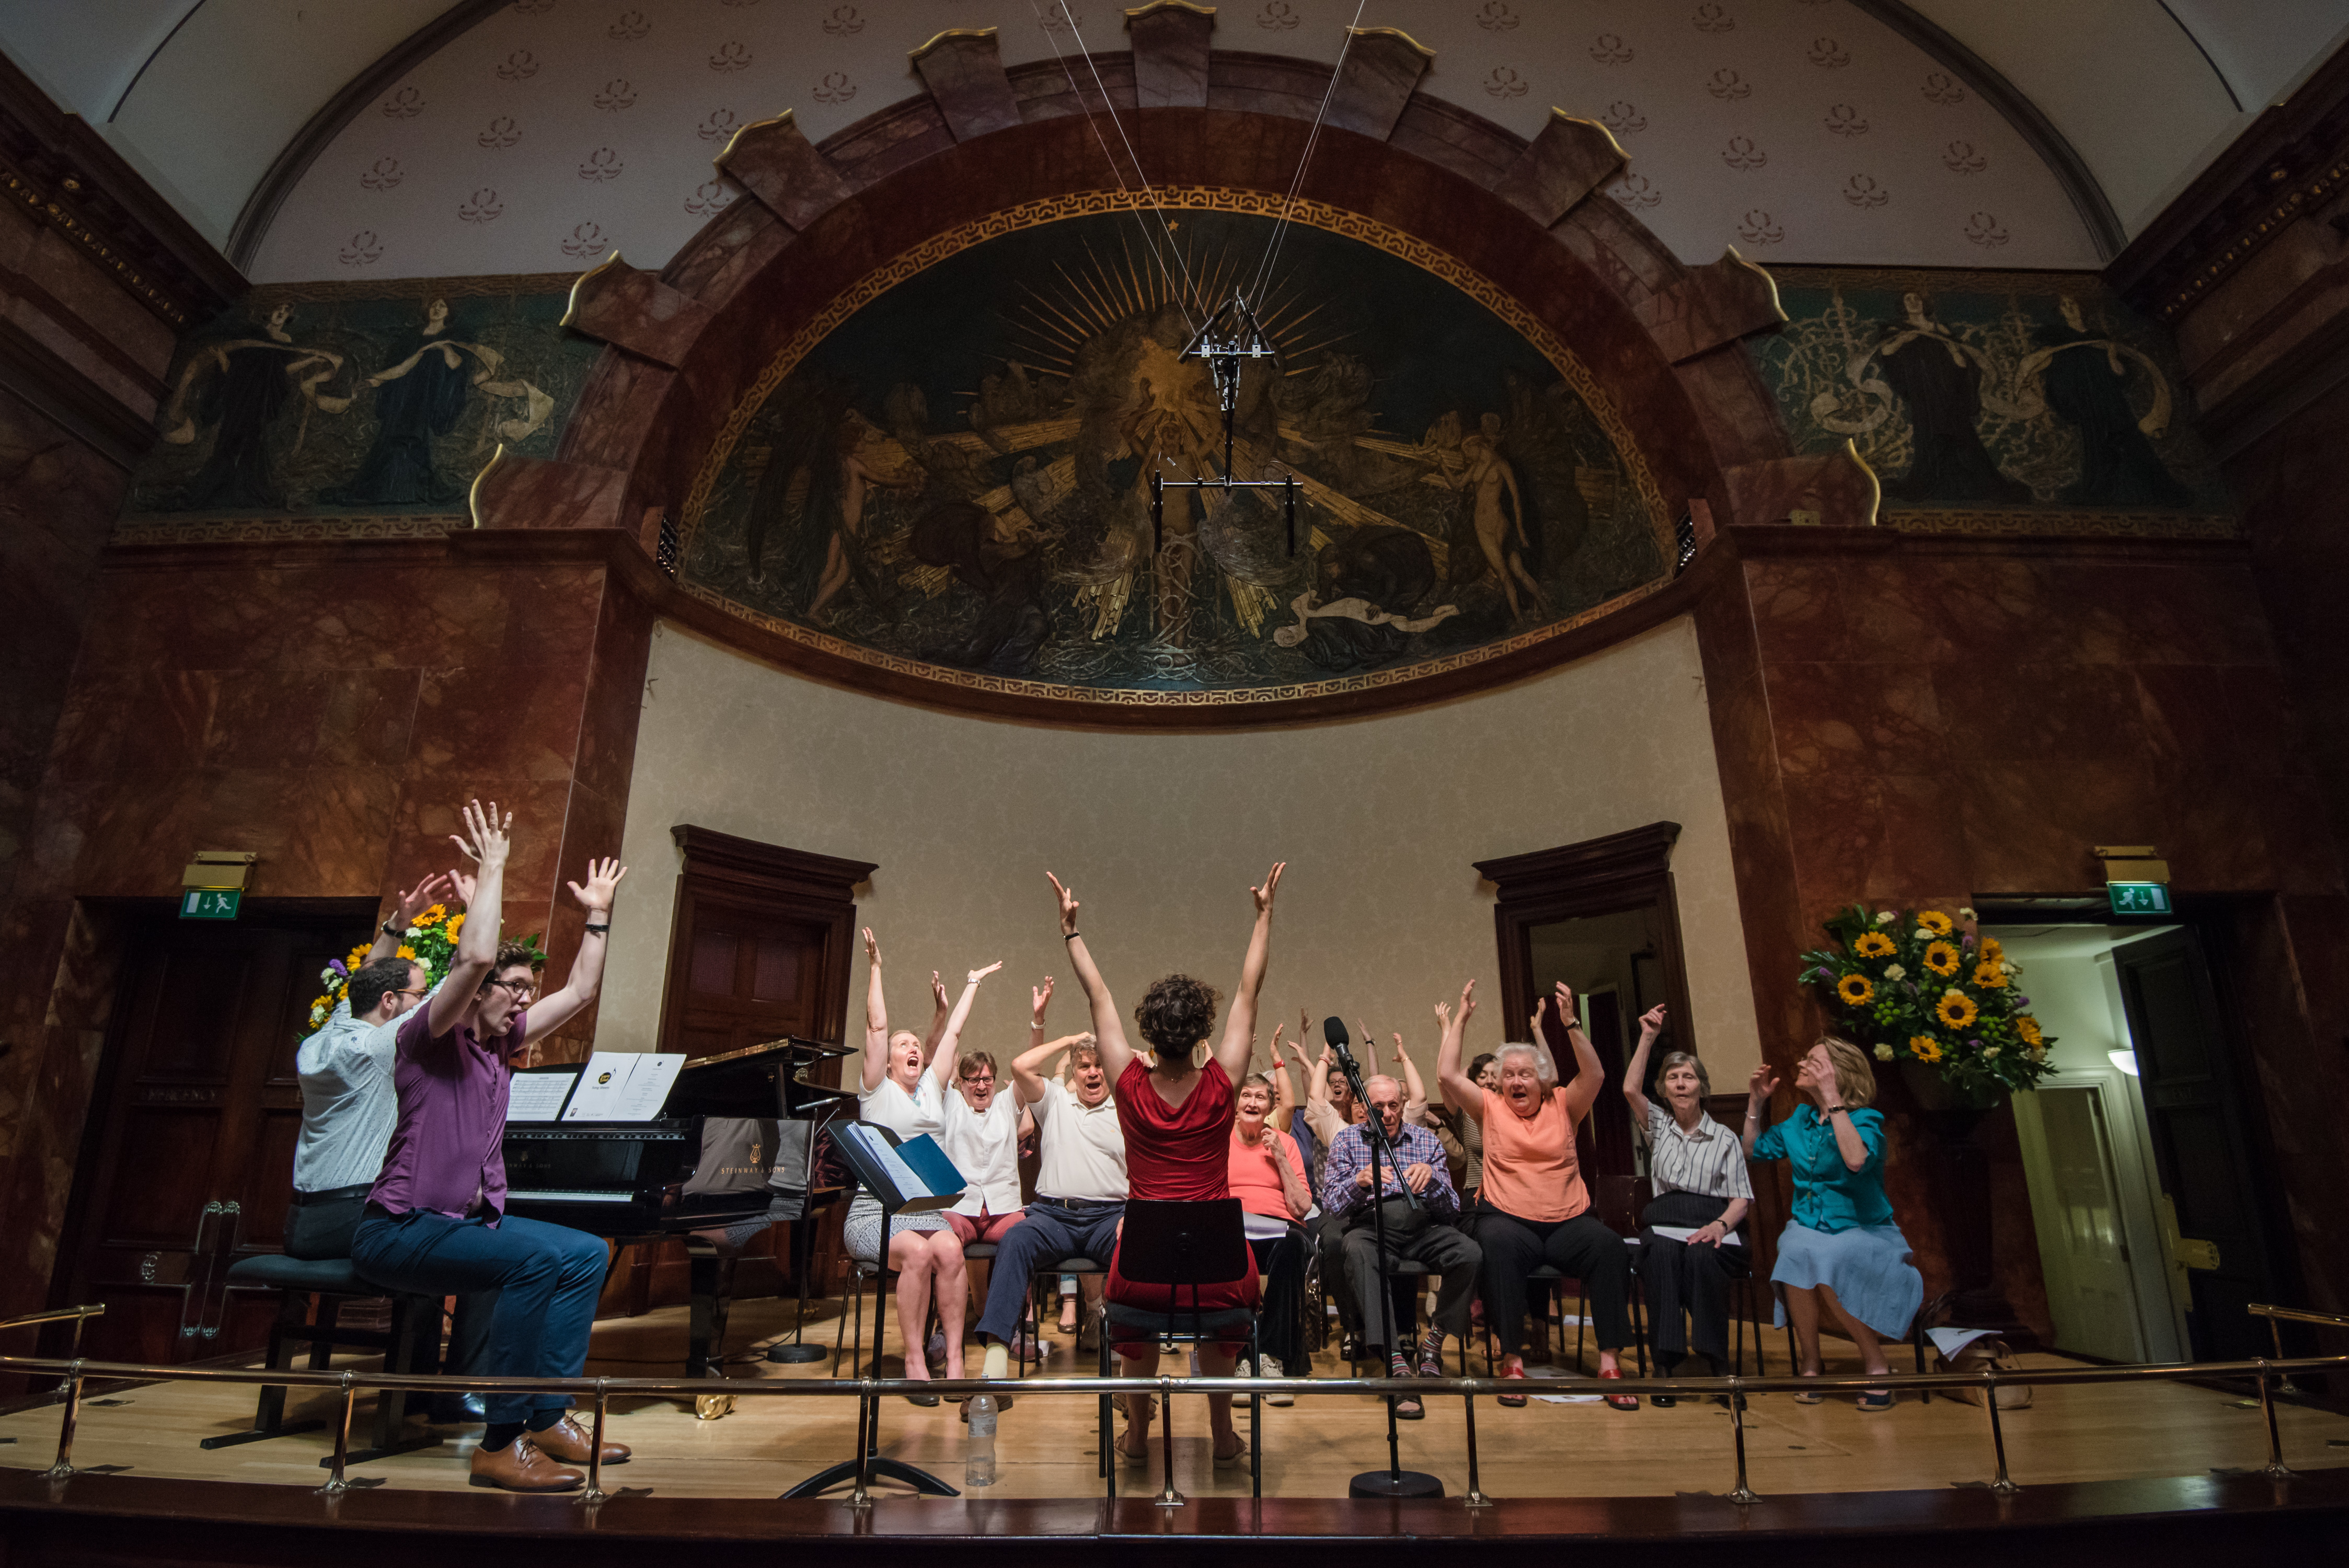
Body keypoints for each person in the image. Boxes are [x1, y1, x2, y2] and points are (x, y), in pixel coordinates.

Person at [349, 800, 631, 1493]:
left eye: (526, 990)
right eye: (513, 988)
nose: (522, 1000)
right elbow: (474, 956)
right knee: (536, 1262)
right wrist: (496, 865)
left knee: (586, 1252)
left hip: (460, 1224)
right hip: (399, 1228)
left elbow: (583, 990)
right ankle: (498, 1444)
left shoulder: (499, 1047)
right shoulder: (429, 1037)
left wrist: (597, 915)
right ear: (477, 993)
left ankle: (545, 1417)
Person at [1046, 861, 1283, 1470]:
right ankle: (1224, 1436)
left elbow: (1097, 996)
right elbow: (1250, 993)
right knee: (1229, 1307)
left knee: (1136, 1318)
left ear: (1148, 1035)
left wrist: (1072, 931)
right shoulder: (1224, 1083)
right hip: (1221, 1264)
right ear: (1203, 1031)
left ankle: (1138, 1435)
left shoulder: (1127, 1083)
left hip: (1144, 1261)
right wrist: (1264, 918)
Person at [1438, 978, 1638, 1411]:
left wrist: (1571, 1025)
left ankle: (1609, 1363)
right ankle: (1512, 1359)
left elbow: (1597, 1074)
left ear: (1542, 1079)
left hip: (1569, 1220)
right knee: (1497, 1245)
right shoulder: (1489, 1107)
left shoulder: (1564, 1104)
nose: (1515, 1081)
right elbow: (1448, 1075)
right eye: (1508, 1075)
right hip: (1508, 1218)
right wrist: (1460, 1020)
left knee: (1609, 1248)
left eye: (1524, 1073)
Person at [844, 932, 999, 1404]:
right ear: (888, 1062)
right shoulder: (876, 1091)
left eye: (916, 1044)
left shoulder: (933, 1086)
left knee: (950, 1251)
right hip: (876, 1212)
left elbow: (951, 1034)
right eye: (903, 1045)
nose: (913, 1048)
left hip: (926, 1209)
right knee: (916, 1252)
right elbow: (875, 1026)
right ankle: (914, 1363)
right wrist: (876, 967)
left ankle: (954, 1361)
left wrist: (972, 983)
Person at [1743, 1036, 1923, 1412]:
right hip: (1809, 1227)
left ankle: (1875, 1362)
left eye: (1815, 1061)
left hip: (1864, 1229)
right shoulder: (1800, 1121)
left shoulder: (1865, 1120)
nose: (1802, 1065)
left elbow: (1856, 1160)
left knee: (1827, 1258)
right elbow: (1753, 1150)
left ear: (1839, 1074)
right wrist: (1756, 1101)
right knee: (1794, 1251)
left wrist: (1833, 1099)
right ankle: (1812, 1361)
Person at [1321, 1071, 1479, 1420]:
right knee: (1356, 1250)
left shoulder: (1424, 1140)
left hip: (1423, 1226)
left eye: (1394, 1105)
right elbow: (1332, 1206)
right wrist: (1358, 1184)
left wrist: (1435, 1181)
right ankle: (1395, 1360)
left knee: (1470, 1253)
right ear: (1363, 1108)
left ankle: (1432, 1346)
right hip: (1372, 1226)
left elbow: (1451, 1209)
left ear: (1403, 1105)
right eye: (1379, 1107)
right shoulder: (1348, 1141)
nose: (1388, 1114)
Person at [972, 1029, 1127, 1379]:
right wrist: (1069, 1040)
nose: (1093, 1073)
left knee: (1135, 1247)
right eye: (1084, 1066)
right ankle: (993, 1372)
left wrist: (1118, 1049)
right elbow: (1020, 1065)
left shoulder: (1126, 1107)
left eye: (1101, 1066)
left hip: (1109, 1217)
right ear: (1073, 1072)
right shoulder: (1055, 1100)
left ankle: (1126, 1369)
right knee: (1015, 1242)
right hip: (1056, 1216)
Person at [1621, 1005, 1752, 1404]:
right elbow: (1629, 1090)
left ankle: (1718, 1364)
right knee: (1658, 1254)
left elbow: (1741, 1199)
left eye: (1688, 1077)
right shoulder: (1658, 1126)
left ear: (1701, 1088)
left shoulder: (1724, 1137)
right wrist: (1647, 1037)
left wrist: (1720, 1227)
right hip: (1665, 1222)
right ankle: (1665, 1364)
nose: (1680, 1084)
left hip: (1714, 1224)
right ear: (1664, 1089)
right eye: (1673, 1078)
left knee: (1701, 1258)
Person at [938, 981, 1042, 1363]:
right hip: (961, 1208)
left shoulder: (1005, 1105)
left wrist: (1037, 1020)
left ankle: (1015, 1328)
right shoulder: (950, 1105)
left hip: (1001, 1207)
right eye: (973, 1079)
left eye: (987, 1078)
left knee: (1024, 1237)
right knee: (940, 1243)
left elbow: (1030, 1065)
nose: (981, 1085)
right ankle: (943, 1328)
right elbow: (944, 1050)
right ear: (960, 1083)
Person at [1228, 1066, 1312, 1390]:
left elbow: (1302, 1207)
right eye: (1246, 1096)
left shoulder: (1285, 1143)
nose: (1252, 1103)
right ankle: (1239, 1356)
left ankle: (1271, 1356)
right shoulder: (1219, 1141)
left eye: (1260, 1097)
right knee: (1221, 1249)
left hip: (1280, 1228)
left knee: (1294, 1246)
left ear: (1271, 1106)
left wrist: (1279, 1155)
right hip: (1233, 1228)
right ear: (1235, 1105)